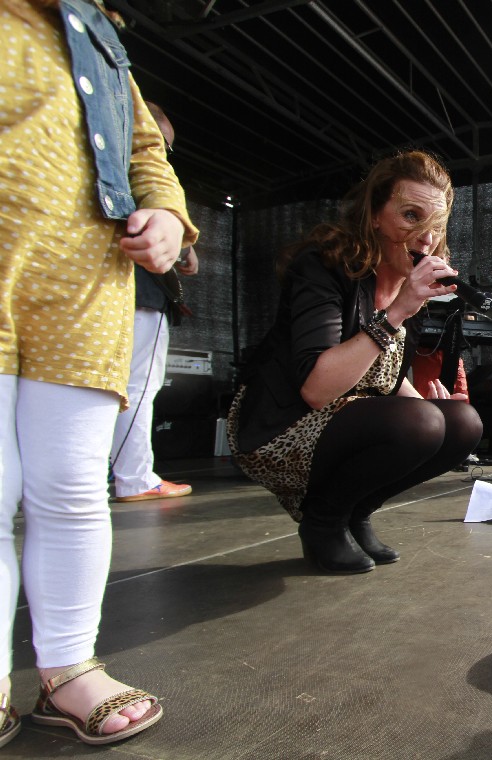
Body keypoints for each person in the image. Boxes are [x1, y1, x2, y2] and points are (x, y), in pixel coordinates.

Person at [1, 0, 198, 746]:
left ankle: (67, 667)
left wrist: (169, 215)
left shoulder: (97, 34)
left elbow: (147, 151)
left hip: (82, 282)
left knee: (72, 486)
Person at [226, 150, 482, 575]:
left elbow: (387, 379)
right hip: (280, 427)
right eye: (410, 216)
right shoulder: (325, 266)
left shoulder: (407, 290)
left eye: (435, 225)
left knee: (462, 423)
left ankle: (355, 512)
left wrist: (434, 412)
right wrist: (396, 313)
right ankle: (323, 522)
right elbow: (316, 389)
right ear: (375, 215)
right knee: (422, 422)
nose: (425, 237)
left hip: (345, 421)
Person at [109, 101, 196, 503]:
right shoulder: (135, 161)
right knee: (138, 385)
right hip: (139, 291)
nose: (164, 154)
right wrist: (182, 246)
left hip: (100, 288)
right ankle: (135, 477)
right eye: (165, 146)